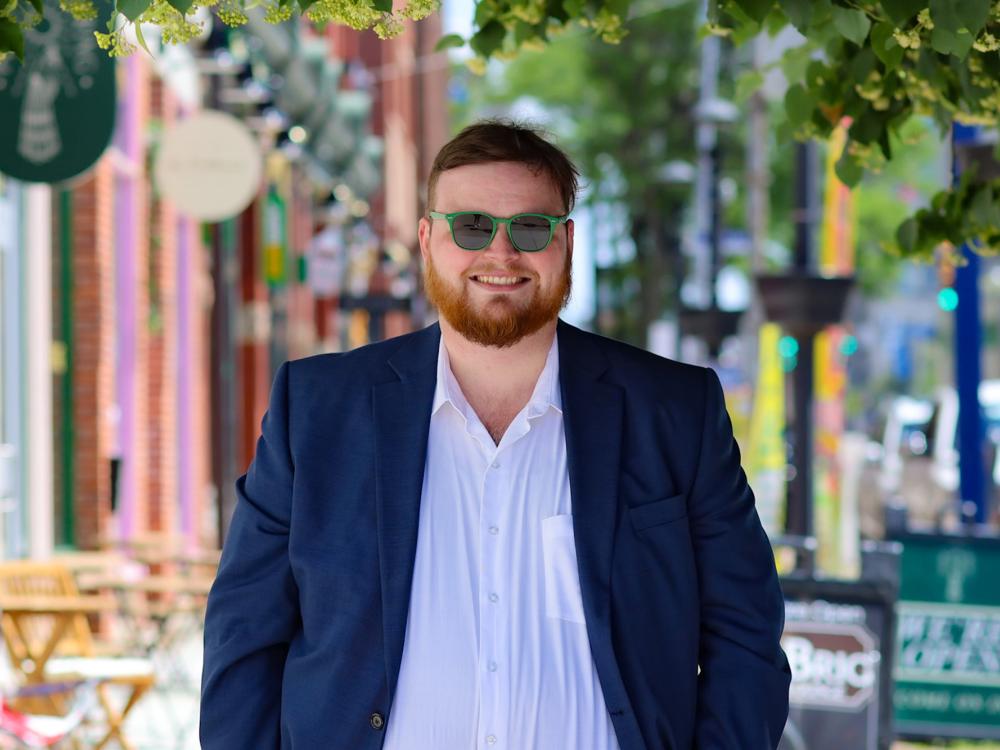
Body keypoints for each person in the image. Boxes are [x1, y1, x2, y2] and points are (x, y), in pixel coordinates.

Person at [200, 120, 791, 750]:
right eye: (473, 226)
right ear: (428, 240)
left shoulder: (674, 412)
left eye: (530, 229)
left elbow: (744, 636)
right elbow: (244, 634)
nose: (501, 254)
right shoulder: (317, 411)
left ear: (565, 243)